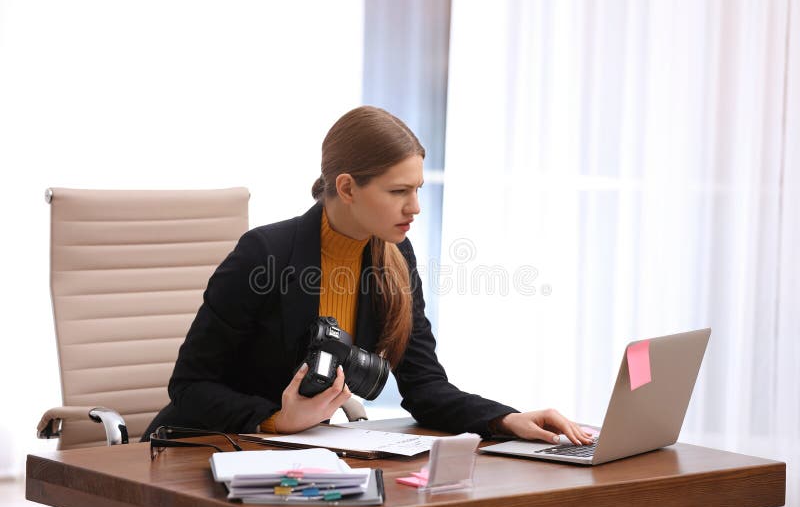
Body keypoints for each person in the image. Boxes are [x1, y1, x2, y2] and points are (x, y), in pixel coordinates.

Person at [144, 106, 593, 446]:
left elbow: (424, 386)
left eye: (417, 189)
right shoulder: (265, 254)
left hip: (299, 459)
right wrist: (275, 419)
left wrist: (504, 420)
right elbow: (190, 388)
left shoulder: (395, 257)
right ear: (346, 188)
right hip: (205, 452)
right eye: (398, 191)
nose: (414, 207)